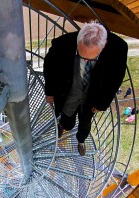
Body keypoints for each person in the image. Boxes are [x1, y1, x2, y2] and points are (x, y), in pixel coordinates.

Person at [44, 22, 128, 156]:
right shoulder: (62, 44)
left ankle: (81, 140)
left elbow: (115, 79)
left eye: (92, 58)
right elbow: (50, 67)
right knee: (67, 117)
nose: (86, 61)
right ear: (78, 41)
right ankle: (63, 126)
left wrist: (102, 103)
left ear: (104, 45)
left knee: (85, 122)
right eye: (81, 56)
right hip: (68, 93)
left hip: (92, 98)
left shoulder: (119, 49)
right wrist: (49, 91)